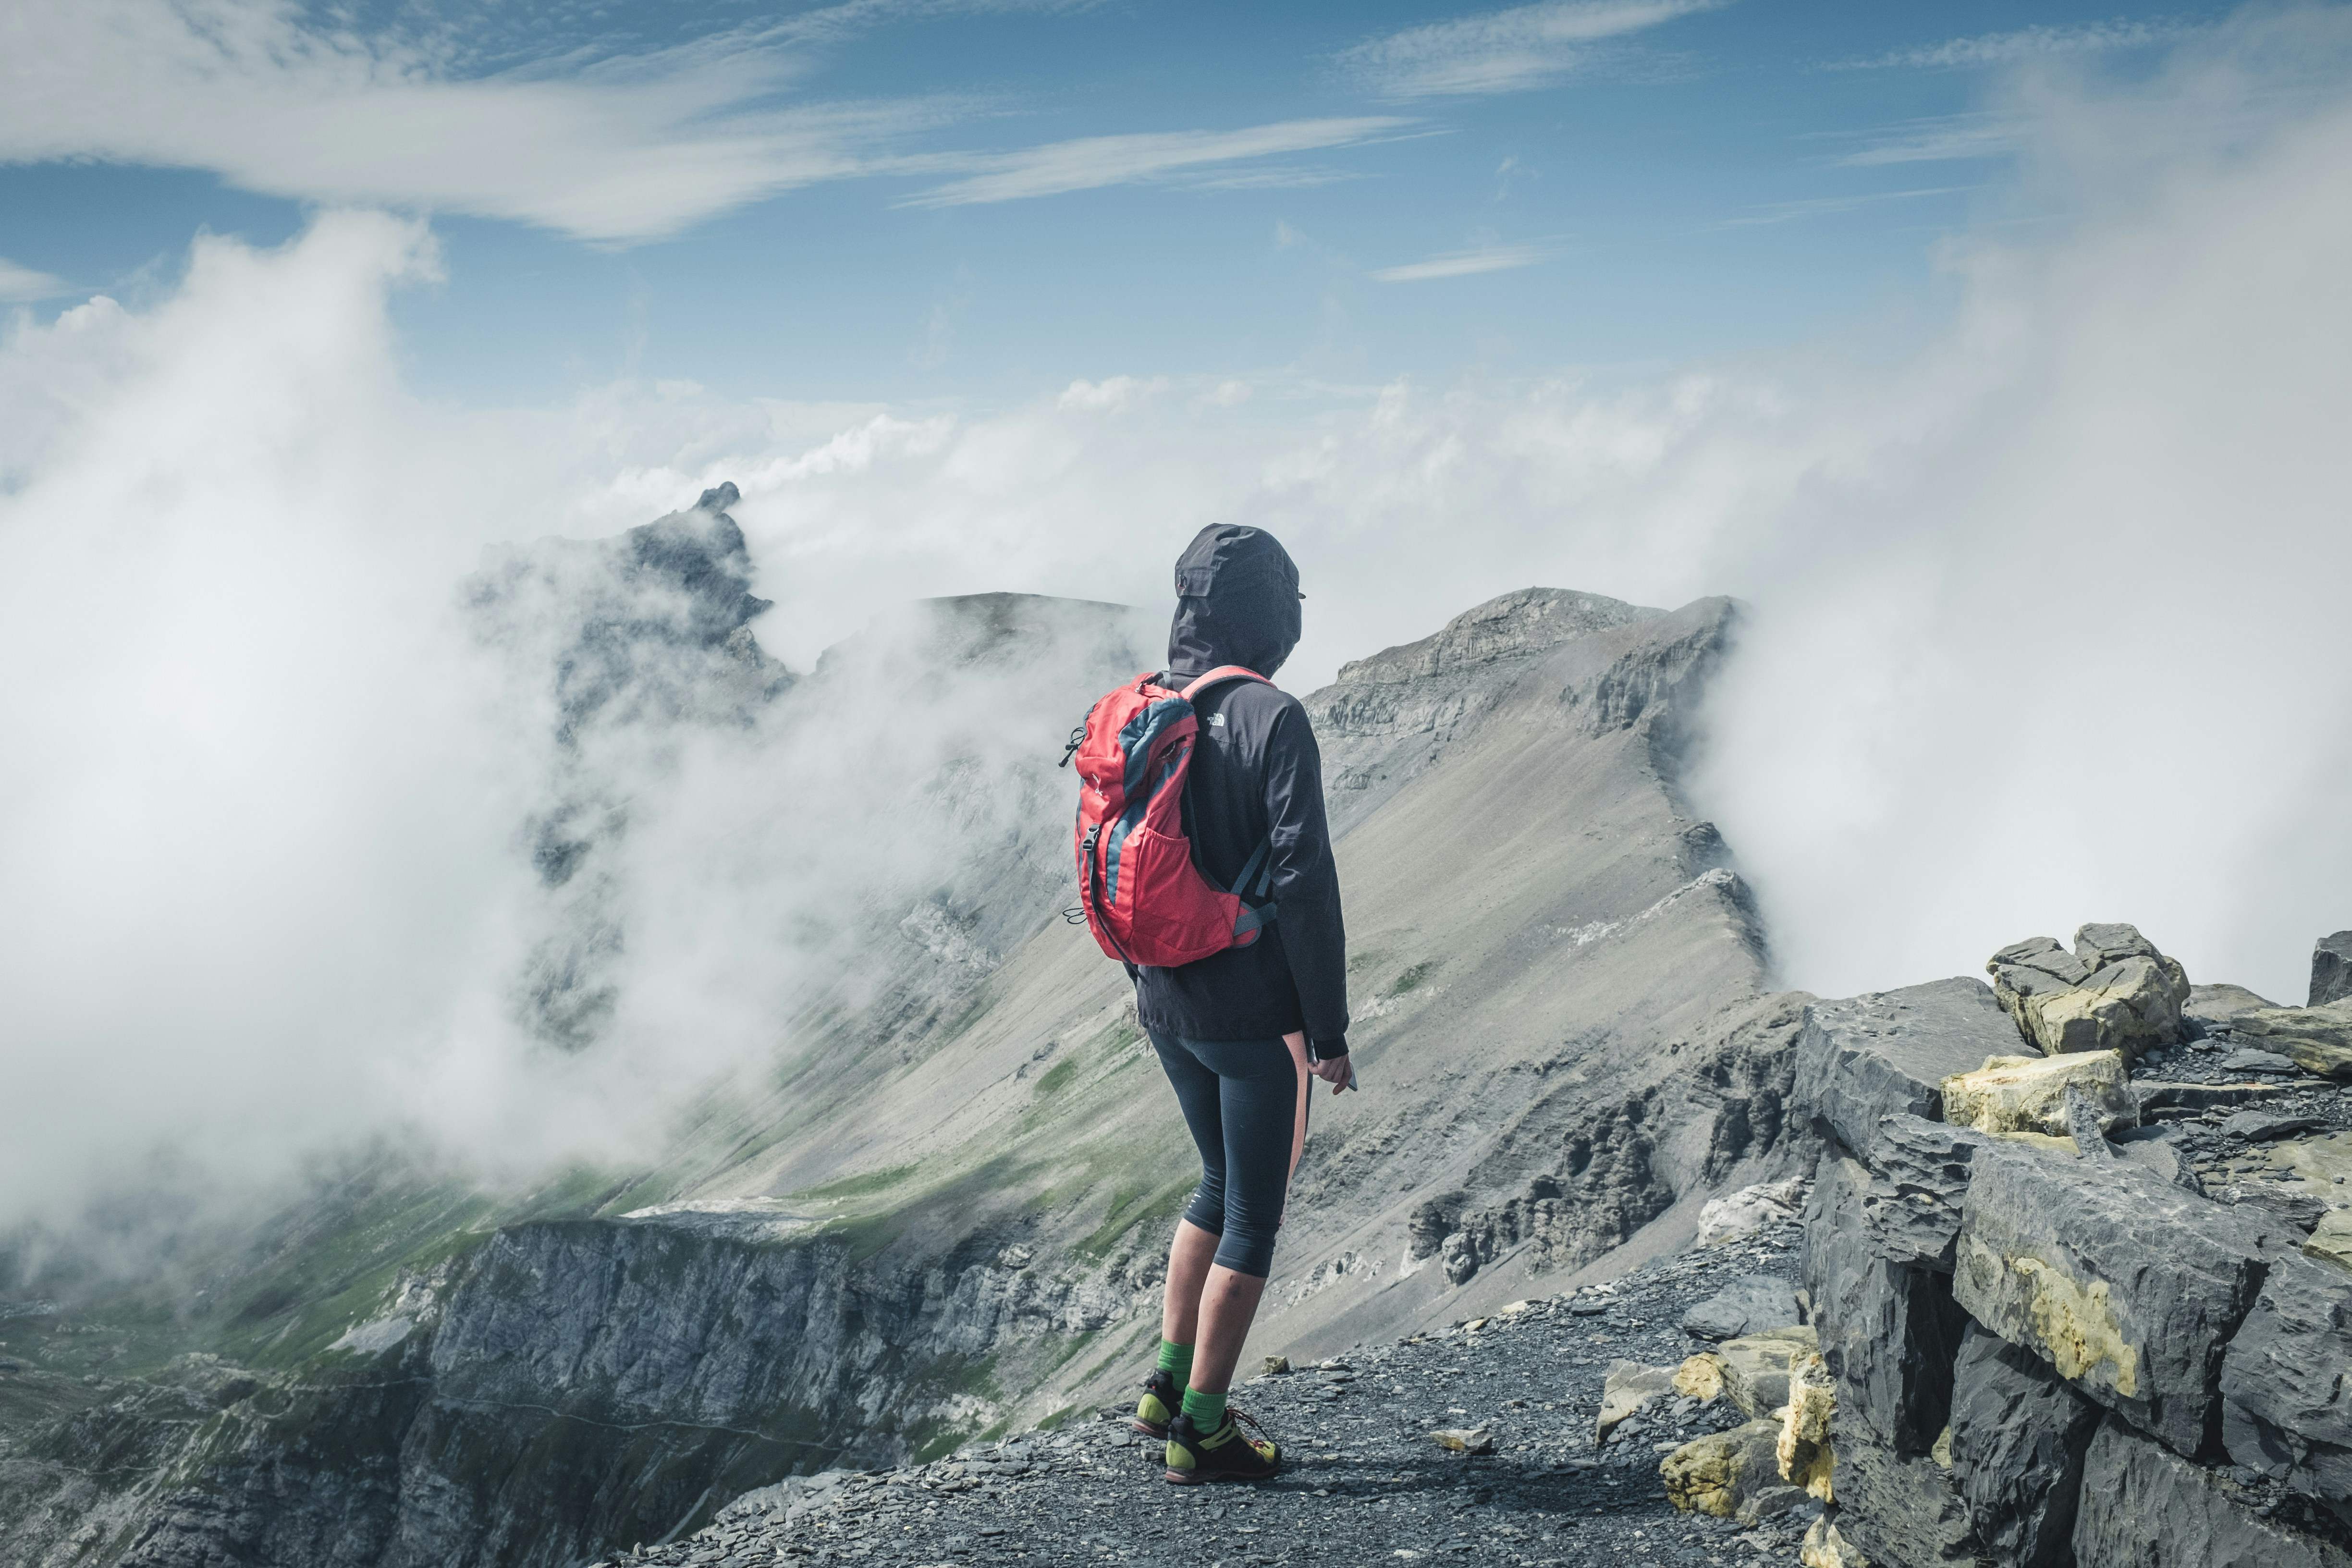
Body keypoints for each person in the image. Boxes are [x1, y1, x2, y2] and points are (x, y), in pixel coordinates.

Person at [1126, 524, 1352, 1485]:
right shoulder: (1272, 717)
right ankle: (1205, 1430)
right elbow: (1304, 881)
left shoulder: (1153, 705)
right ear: (1273, 619)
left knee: (1214, 1186)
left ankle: (1166, 1386)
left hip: (1164, 1002)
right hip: (1253, 1015)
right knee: (1256, 1212)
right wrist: (1329, 1032)